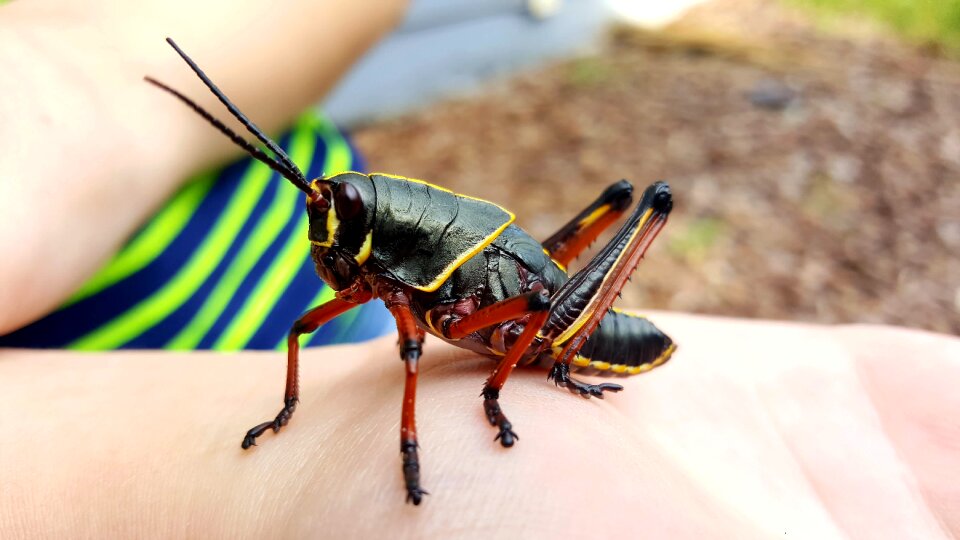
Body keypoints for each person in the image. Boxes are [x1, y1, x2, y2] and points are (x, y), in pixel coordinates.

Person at [1, 1, 957, 537]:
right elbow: (362, 325)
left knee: (617, 213)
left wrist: (498, 396)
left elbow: (413, 352)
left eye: (330, 211)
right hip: (442, 319)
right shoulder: (385, 275)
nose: (319, 226)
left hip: (560, 329)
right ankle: (336, 397)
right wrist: (296, 436)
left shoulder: (419, 299)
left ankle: (538, 361)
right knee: (347, 335)